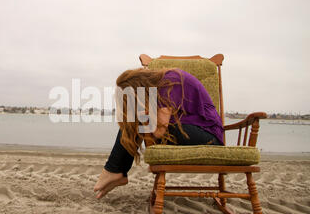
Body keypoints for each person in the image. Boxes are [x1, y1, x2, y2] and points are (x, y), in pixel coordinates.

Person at [93, 67, 224, 199]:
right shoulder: (159, 88)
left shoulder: (169, 82)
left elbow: (159, 132)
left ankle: (114, 170)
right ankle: (116, 170)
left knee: (139, 119)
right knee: (135, 119)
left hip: (209, 137)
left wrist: (142, 113)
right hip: (189, 131)